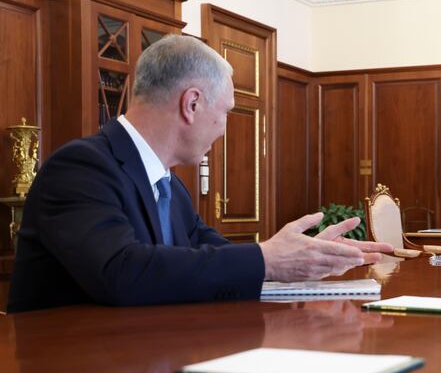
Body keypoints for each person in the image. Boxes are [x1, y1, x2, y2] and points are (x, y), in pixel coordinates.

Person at [7, 35, 393, 313]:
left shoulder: (170, 185)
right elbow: (120, 272)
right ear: (192, 103)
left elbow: (210, 254)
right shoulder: (81, 166)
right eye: (225, 112)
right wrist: (268, 260)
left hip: (141, 364)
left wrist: (307, 259)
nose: (224, 128)